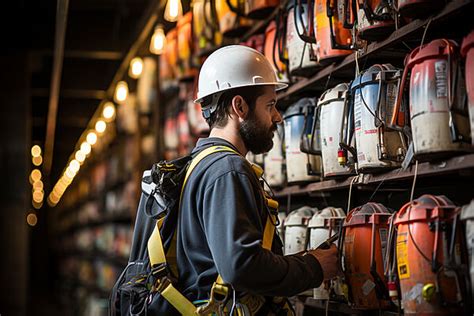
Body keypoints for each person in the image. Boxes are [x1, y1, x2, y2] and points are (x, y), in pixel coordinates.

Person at [167, 45, 340, 314]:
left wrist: (307, 260)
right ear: (240, 106)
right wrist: (314, 268)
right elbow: (241, 266)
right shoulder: (227, 170)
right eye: (270, 105)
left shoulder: (200, 164)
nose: (277, 117)